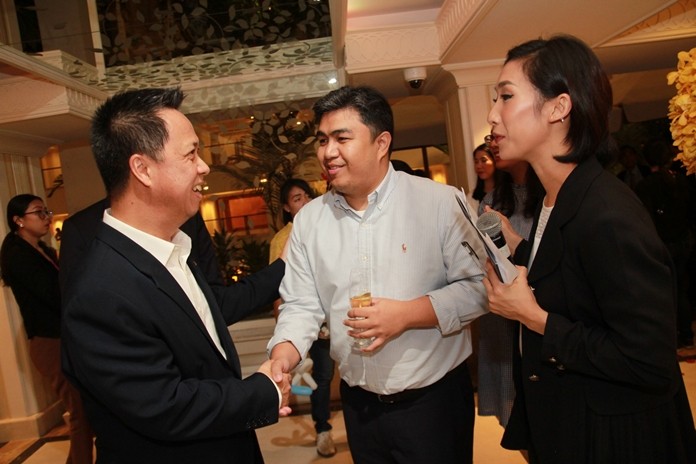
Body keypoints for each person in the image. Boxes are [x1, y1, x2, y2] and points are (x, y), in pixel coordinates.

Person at [483, 34, 696, 463]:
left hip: (616, 437)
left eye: (506, 96)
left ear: (558, 107)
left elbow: (647, 359)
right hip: (571, 422)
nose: (492, 114)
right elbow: (574, 280)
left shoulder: (608, 215)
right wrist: (520, 248)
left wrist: (534, 318)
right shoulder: (556, 196)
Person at [61, 87, 292, 464]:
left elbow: (206, 322)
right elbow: (165, 407)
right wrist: (263, 393)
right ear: (143, 169)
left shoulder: (176, 249)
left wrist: (287, 266)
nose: (204, 167)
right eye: (191, 154)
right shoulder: (99, 292)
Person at [268, 85, 488, 464]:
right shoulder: (310, 221)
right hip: (359, 406)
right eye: (322, 140)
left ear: (381, 143)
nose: (328, 151)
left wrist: (408, 314)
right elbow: (301, 304)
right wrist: (282, 357)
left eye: (342, 138)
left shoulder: (440, 202)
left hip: (432, 402)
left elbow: (480, 288)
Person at [0, 194, 94, 464]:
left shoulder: (42, 249)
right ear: (18, 220)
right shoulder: (18, 255)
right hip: (49, 342)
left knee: (84, 409)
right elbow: (55, 295)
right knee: (79, 410)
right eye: (39, 212)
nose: (47, 217)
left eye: (46, 211)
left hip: (62, 337)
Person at [476, 136, 543, 429]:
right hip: (503, 320)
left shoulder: (552, 195)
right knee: (514, 417)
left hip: (540, 314)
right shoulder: (491, 202)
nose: (493, 142)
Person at [269, 178, 337, 457]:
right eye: (297, 199)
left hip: (341, 318)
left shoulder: (325, 225)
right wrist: (283, 329)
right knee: (323, 375)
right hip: (311, 322)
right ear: (286, 207)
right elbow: (276, 287)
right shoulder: (282, 239)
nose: (305, 202)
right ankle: (323, 429)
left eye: (307, 196)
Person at [635, 139, 694, 350]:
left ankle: (672, 336)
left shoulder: (646, 186)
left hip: (663, 243)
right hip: (684, 240)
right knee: (681, 288)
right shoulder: (681, 180)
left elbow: (647, 219)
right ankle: (686, 333)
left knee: (665, 292)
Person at [467, 142, 499, 212]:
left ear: (495, 161)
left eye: (484, 160)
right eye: (476, 162)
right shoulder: (471, 197)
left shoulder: (507, 192)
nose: (478, 166)